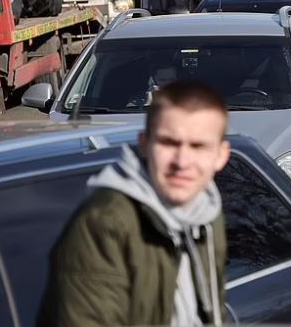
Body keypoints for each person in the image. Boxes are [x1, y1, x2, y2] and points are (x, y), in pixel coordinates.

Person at [39, 81, 230, 327]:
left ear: (221, 155)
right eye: (169, 143)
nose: (182, 161)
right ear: (144, 144)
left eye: (198, 146)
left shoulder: (206, 214)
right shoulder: (105, 224)